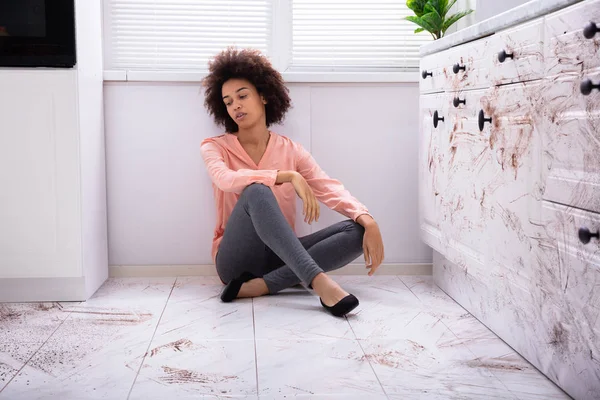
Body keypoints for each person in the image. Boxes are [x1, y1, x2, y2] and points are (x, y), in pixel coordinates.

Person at [200, 47, 384, 317]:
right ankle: (319, 283)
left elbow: (327, 186)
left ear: (263, 96)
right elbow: (225, 180)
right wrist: (284, 176)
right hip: (234, 262)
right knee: (256, 191)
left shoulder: (291, 150)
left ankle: (263, 286)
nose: (235, 105)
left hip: (281, 257)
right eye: (228, 102)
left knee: (357, 231)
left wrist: (366, 218)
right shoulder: (214, 147)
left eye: (242, 96)